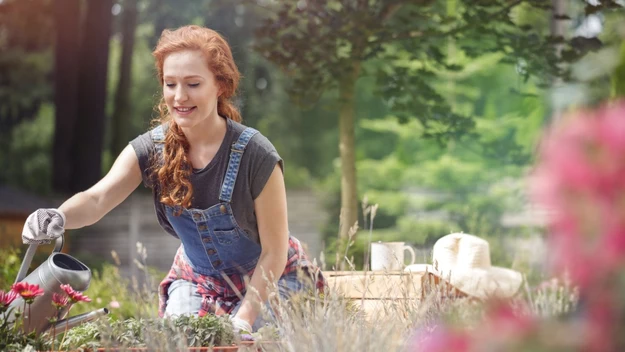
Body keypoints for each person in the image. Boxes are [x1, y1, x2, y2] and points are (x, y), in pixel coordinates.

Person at [21, 25, 325, 334]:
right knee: (179, 339)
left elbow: (274, 252)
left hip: (272, 278)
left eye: (193, 84)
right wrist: (58, 216)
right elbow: (97, 199)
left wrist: (243, 319)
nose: (179, 97)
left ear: (220, 85)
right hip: (198, 281)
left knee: (255, 339)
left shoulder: (256, 155)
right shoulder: (151, 149)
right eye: (170, 84)